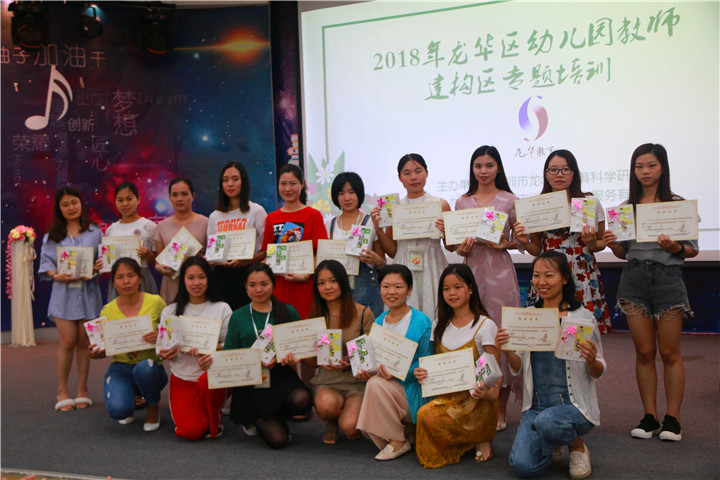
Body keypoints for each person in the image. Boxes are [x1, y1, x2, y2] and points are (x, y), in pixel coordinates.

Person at [603, 143, 698, 442]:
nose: (645, 171)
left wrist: (675, 247)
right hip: (633, 279)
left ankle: (673, 418)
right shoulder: (625, 208)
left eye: (651, 165)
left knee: (669, 353)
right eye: (639, 166)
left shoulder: (678, 204)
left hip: (667, 278)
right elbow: (623, 252)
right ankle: (649, 416)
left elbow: (692, 250)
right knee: (644, 353)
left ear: (663, 168)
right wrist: (612, 244)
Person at [498, 251, 605, 479]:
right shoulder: (527, 316)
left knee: (548, 422)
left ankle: (576, 446)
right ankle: (552, 439)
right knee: (522, 466)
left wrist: (591, 360)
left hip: (573, 406)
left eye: (549, 275)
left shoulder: (582, 317)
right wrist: (507, 350)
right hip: (536, 407)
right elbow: (517, 368)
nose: (541, 282)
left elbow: (598, 370)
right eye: (536, 275)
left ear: (565, 278)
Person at [448, 145, 522, 431]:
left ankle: (500, 410)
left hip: (501, 274)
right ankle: (475, 402)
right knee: (474, 334)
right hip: (472, 273)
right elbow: (455, 245)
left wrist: (507, 243)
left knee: (501, 336)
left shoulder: (510, 200)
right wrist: (460, 247)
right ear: (472, 169)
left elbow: (522, 241)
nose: (483, 170)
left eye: (489, 165)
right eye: (478, 165)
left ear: (498, 168)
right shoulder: (462, 202)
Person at [513, 150, 611, 332]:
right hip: (548, 270)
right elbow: (536, 249)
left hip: (581, 270)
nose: (559, 175)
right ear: (546, 174)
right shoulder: (536, 205)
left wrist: (591, 243)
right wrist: (524, 242)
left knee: (581, 332)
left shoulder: (589, 202)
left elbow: (599, 243)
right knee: (546, 328)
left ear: (574, 173)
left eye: (565, 169)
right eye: (554, 170)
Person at [414, 264, 501, 468]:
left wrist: (487, 393)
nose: (452, 293)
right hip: (448, 398)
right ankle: (468, 440)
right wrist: (423, 373)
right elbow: (436, 366)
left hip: (478, 401)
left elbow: (496, 379)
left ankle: (482, 435)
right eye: (446, 289)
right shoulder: (439, 325)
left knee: (429, 418)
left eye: (458, 287)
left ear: (470, 289)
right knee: (425, 415)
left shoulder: (485, 326)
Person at [221, 262, 312, 448]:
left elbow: (300, 347)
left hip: (279, 376)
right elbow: (230, 352)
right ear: (246, 287)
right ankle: (257, 417)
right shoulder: (238, 316)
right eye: (252, 285)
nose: (258, 290)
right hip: (251, 382)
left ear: (273, 284)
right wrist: (253, 361)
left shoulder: (288, 311)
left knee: (303, 399)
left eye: (264, 284)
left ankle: (275, 413)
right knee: (278, 441)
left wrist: (291, 357)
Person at [356, 264, 433, 461]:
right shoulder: (379, 321)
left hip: (413, 389)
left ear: (409, 289)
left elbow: (427, 362)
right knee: (374, 382)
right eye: (386, 286)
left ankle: (398, 440)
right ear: (379, 289)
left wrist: (400, 372)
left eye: (398, 287)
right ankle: (402, 436)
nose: (391, 292)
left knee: (375, 386)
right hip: (387, 389)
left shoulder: (421, 321)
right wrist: (368, 369)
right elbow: (376, 361)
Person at [38, 187, 104, 412]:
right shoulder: (53, 236)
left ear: (81, 204)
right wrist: (56, 275)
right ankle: (62, 390)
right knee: (67, 341)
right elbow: (46, 264)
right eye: (65, 204)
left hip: (88, 293)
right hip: (63, 295)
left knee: (84, 343)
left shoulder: (94, 231)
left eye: (74, 202)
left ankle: (82, 390)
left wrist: (99, 265)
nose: (70, 208)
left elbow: (103, 258)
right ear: (59, 209)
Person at [89, 258, 168, 431]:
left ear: (140, 278)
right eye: (120, 277)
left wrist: (160, 337)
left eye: (131, 275)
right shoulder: (107, 311)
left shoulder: (156, 302)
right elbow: (103, 347)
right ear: (113, 282)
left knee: (145, 368)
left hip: (150, 366)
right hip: (121, 366)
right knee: (119, 410)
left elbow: (172, 333)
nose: (126, 281)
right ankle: (130, 398)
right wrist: (96, 353)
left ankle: (152, 406)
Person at [159, 256, 232, 441]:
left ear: (209, 279)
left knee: (208, 382)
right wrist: (167, 353)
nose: (196, 283)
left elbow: (231, 347)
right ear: (183, 280)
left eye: (202, 277)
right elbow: (161, 349)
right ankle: (204, 415)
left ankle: (215, 416)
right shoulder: (170, 311)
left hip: (212, 376)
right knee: (191, 432)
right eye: (190, 278)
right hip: (183, 378)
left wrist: (213, 350)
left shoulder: (222, 308)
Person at [372, 154, 449, 327]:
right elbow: (393, 251)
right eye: (407, 173)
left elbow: (451, 248)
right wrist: (378, 229)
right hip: (404, 266)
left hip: (432, 266)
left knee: (436, 316)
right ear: (400, 177)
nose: (413, 177)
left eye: (418, 171)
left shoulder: (440, 204)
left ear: (427, 173)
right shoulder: (394, 208)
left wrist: (446, 232)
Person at [307, 260, 375, 444]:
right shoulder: (315, 316)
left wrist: (356, 363)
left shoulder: (363, 313)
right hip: (327, 381)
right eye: (321, 283)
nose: (327, 287)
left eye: (333, 281)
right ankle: (332, 420)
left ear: (343, 282)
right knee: (327, 406)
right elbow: (311, 362)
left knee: (351, 428)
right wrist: (296, 356)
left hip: (356, 383)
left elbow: (372, 352)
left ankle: (346, 417)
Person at [262, 164, 328, 318]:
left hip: (305, 287)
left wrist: (305, 275)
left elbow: (322, 252)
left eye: (293, 183)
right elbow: (267, 252)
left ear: (302, 184)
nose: (287, 189)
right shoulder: (272, 218)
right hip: (279, 287)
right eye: (283, 184)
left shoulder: (313, 215)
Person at [207, 161, 267, 310]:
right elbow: (213, 252)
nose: (230, 184)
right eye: (225, 180)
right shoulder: (215, 216)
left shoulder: (256, 211)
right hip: (222, 277)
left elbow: (267, 249)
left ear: (243, 182)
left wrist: (246, 261)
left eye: (235, 179)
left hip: (250, 275)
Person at [326, 172, 385, 317]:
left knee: (367, 328)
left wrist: (376, 260)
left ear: (359, 193)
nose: (347, 198)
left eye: (351, 192)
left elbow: (382, 261)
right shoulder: (329, 225)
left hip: (366, 292)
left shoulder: (371, 222)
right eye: (341, 193)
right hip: (338, 291)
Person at [155, 177, 209, 304]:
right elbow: (158, 261)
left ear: (193, 196)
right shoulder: (161, 226)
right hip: (172, 285)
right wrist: (160, 268)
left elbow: (213, 257)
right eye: (175, 195)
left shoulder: (206, 223)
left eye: (184, 194)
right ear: (170, 198)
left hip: (198, 286)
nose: (179, 199)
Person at [105, 181, 158, 301]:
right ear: (115, 202)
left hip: (142, 277)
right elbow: (108, 260)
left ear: (138, 199)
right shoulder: (111, 230)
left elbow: (158, 261)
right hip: (119, 281)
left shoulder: (149, 226)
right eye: (120, 200)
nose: (125, 204)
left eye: (129, 199)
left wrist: (148, 254)